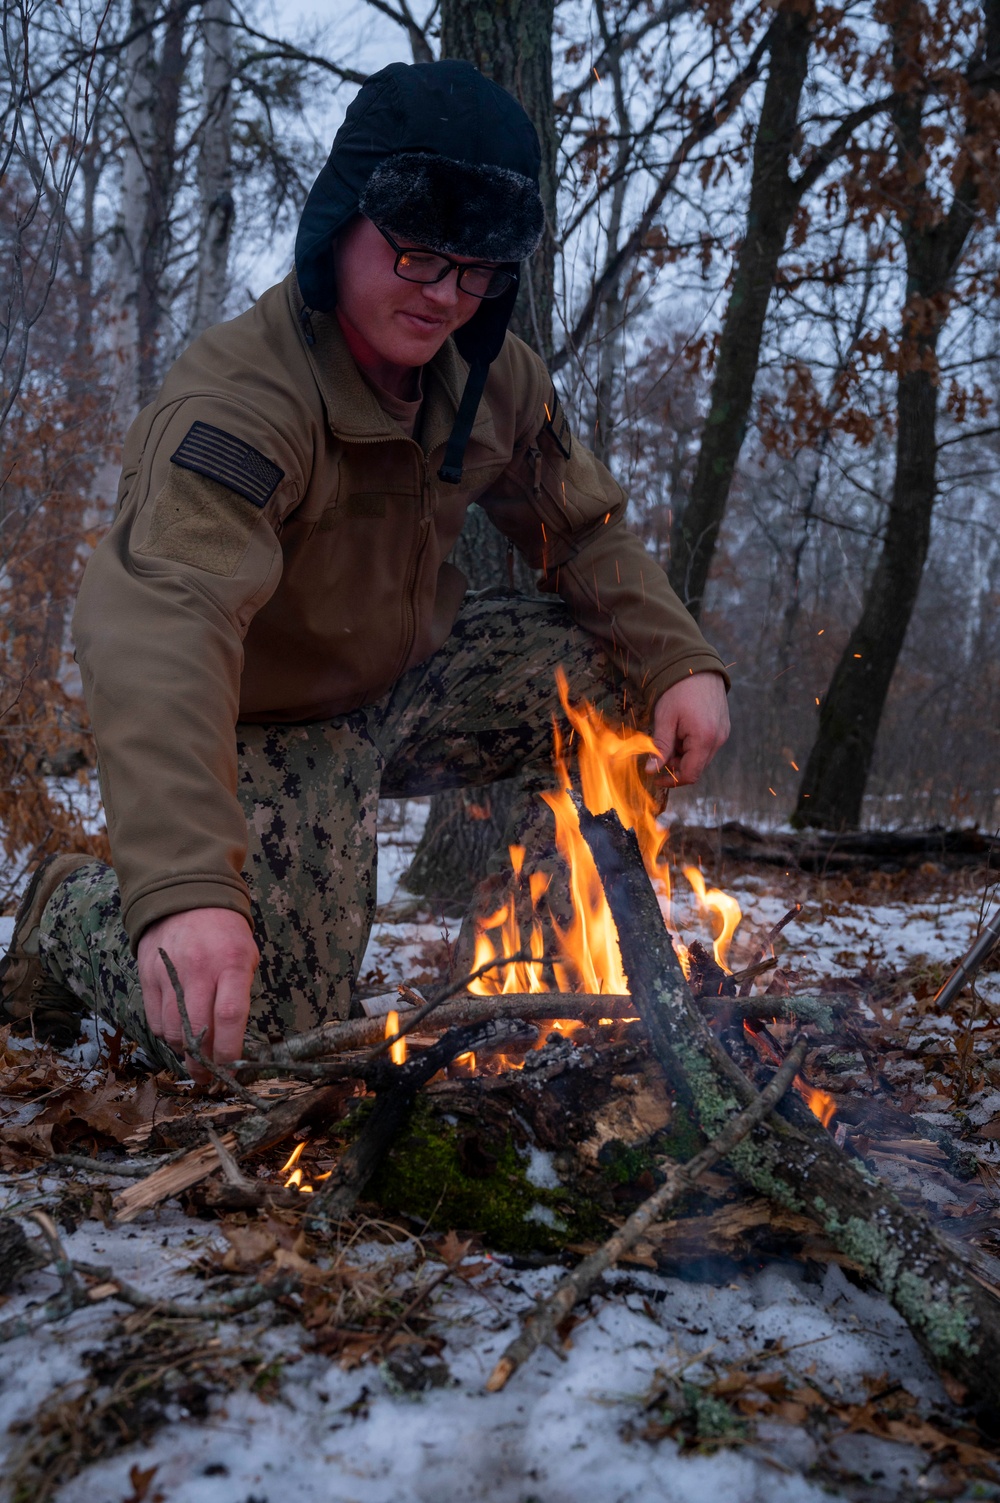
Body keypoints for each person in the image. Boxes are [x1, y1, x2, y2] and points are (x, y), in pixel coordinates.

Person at [0, 60, 729, 1077]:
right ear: (337, 224)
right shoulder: (242, 400)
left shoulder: (493, 373)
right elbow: (161, 619)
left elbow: (584, 531)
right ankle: (66, 913)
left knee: (610, 680)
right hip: (265, 718)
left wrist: (677, 661)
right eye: (419, 257)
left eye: (476, 270)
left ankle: (558, 982)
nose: (445, 298)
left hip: (409, 685)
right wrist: (186, 890)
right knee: (260, 1038)